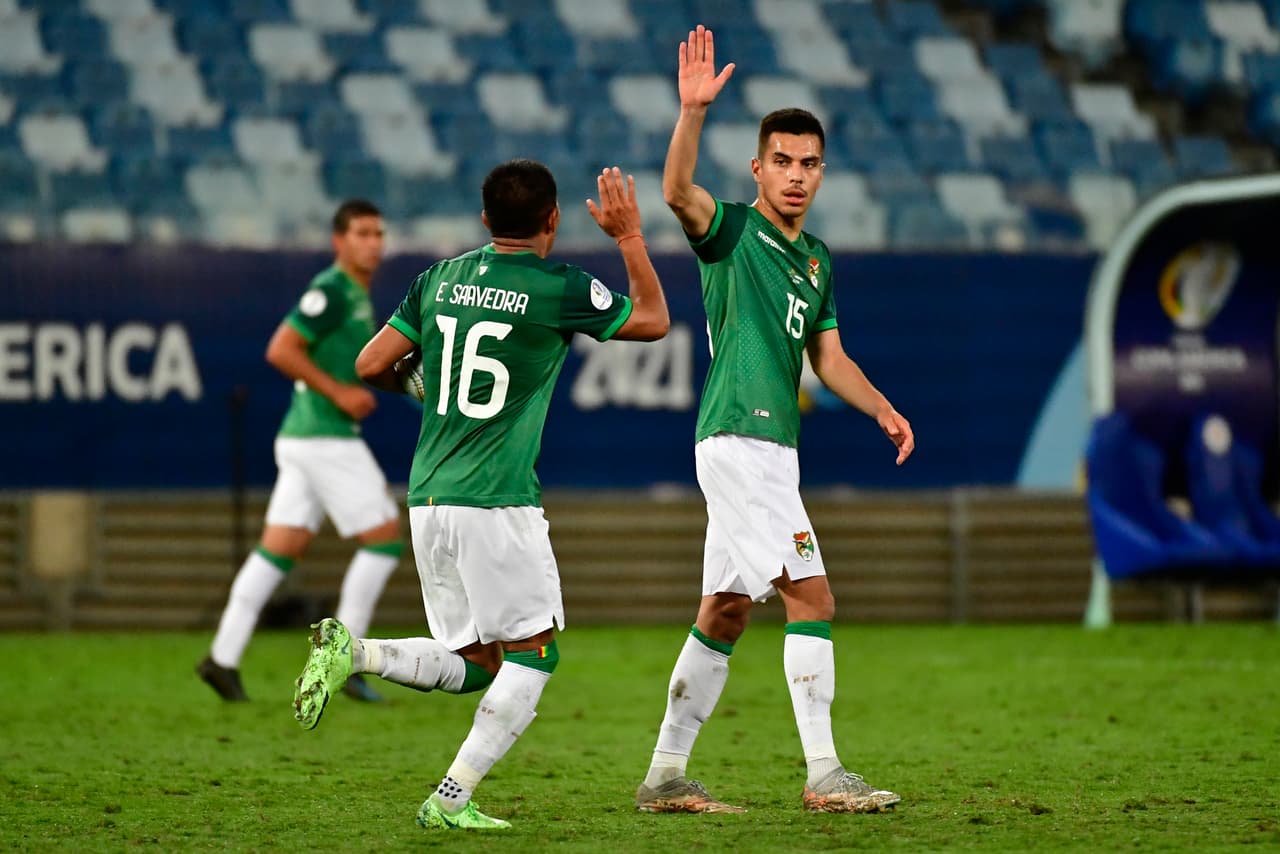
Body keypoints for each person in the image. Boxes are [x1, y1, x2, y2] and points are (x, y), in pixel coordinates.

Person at [292, 160, 670, 831]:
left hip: (429, 497)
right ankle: (450, 798)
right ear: (552, 220)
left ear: (486, 219)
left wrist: (426, 390)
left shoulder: (438, 280)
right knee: (536, 652)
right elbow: (651, 320)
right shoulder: (558, 287)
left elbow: (370, 364)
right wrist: (630, 236)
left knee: (477, 663)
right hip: (497, 501)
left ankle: (359, 653)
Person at [634, 25, 916, 815]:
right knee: (813, 597)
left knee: (724, 611)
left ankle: (664, 775)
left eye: (809, 164)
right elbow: (677, 193)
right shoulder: (732, 233)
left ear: (823, 172)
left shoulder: (817, 260)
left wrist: (883, 408)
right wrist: (691, 113)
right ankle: (825, 773)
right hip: (738, 441)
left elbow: (828, 360)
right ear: (757, 168)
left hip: (768, 450)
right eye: (782, 162)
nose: (796, 176)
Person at [197, 200, 402, 704]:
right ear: (339, 241)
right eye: (362, 233)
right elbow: (281, 349)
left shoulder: (354, 292)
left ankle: (222, 659)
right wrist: (340, 393)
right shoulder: (331, 290)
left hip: (304, 438)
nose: (373, 242)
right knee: (384, 537)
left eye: (378, 233)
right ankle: (345, 661)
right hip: (322, 436)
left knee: (278, 551)